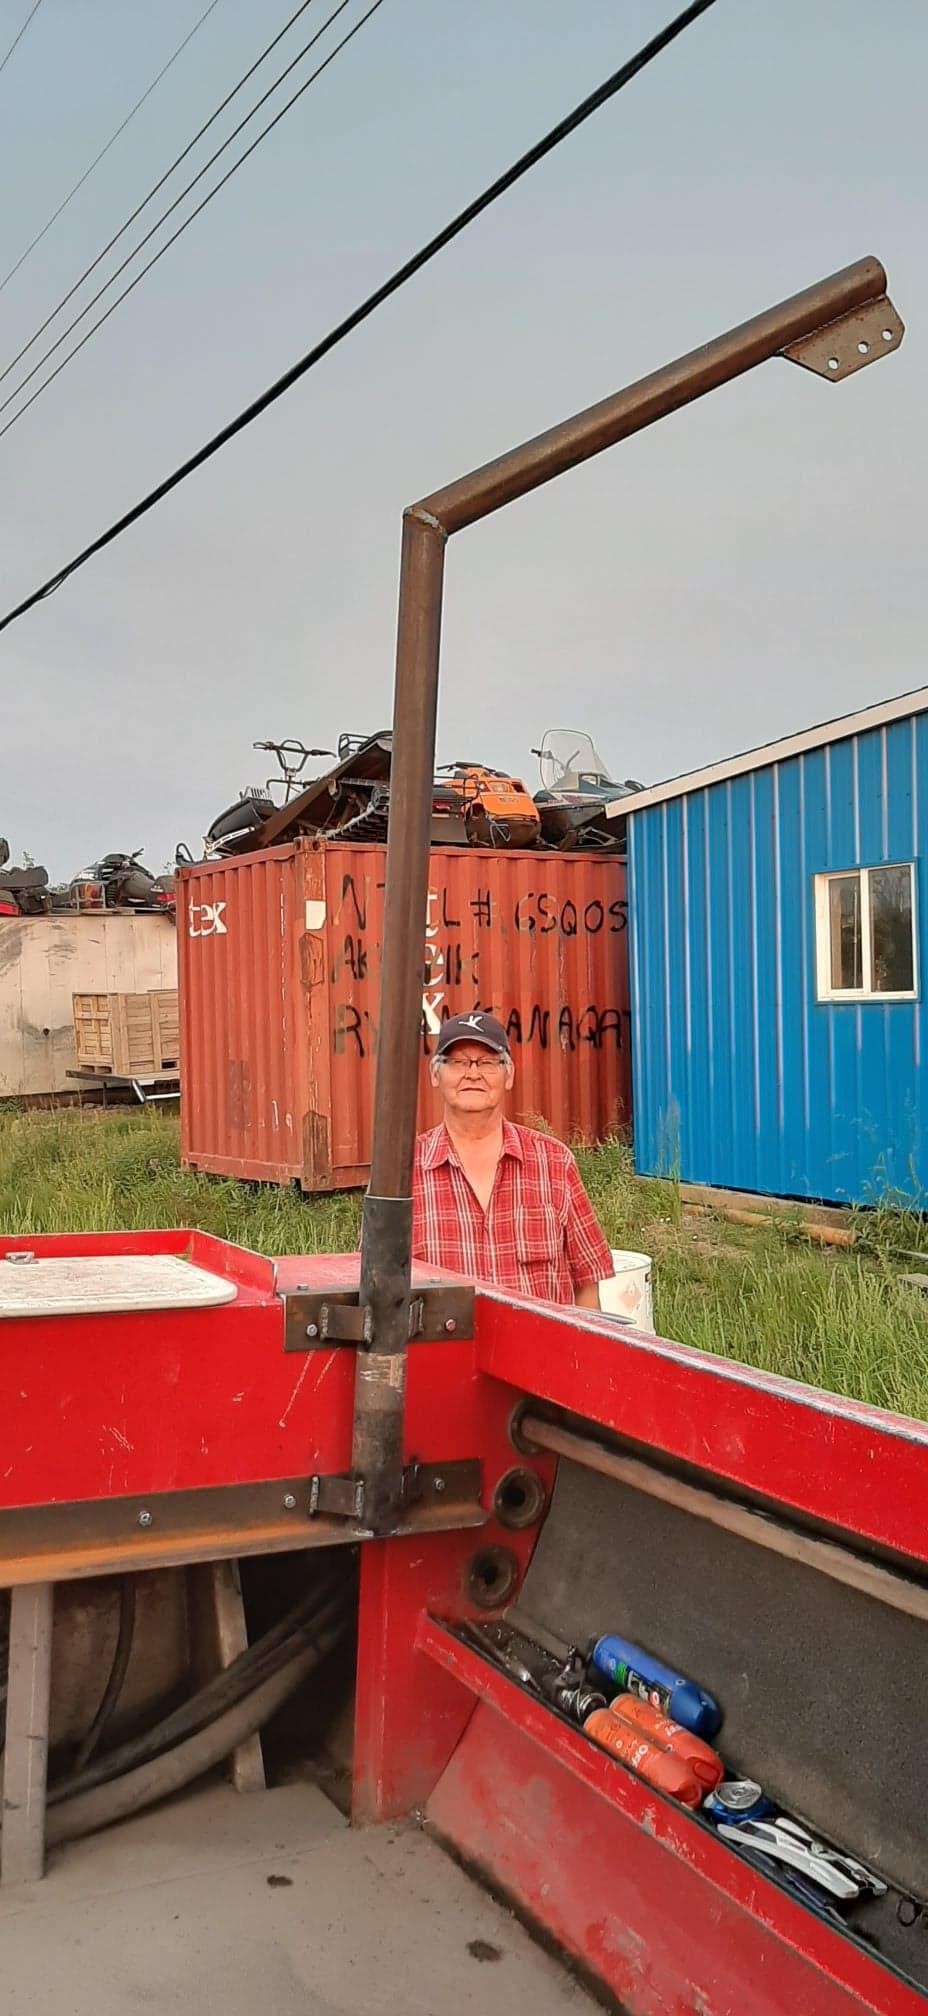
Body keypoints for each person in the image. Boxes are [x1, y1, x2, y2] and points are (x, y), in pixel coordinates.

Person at [412, 1011, 614, 1307]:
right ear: (434, 1074)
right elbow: (373, 1284)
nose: (472, 1074)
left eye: (488, 1062)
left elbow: (587, 1284)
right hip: (444, 1354)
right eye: (457, 1062)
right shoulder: (402, 1172)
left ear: (509, 1075)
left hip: (541, 1352)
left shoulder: (555, 1163)